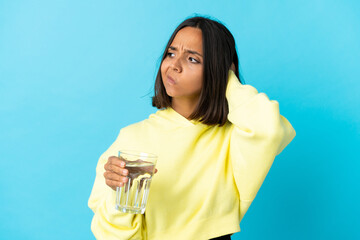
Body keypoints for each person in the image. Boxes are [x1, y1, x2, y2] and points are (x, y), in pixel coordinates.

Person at [88, 16, 296, 240]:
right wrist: (119, 192)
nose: (174, 66)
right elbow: (110, 235)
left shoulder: (234, 137)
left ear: (219, 70)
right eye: (170, 53)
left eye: (193, 59)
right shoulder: (132, 138)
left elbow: (268, 129)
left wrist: (227, 77)